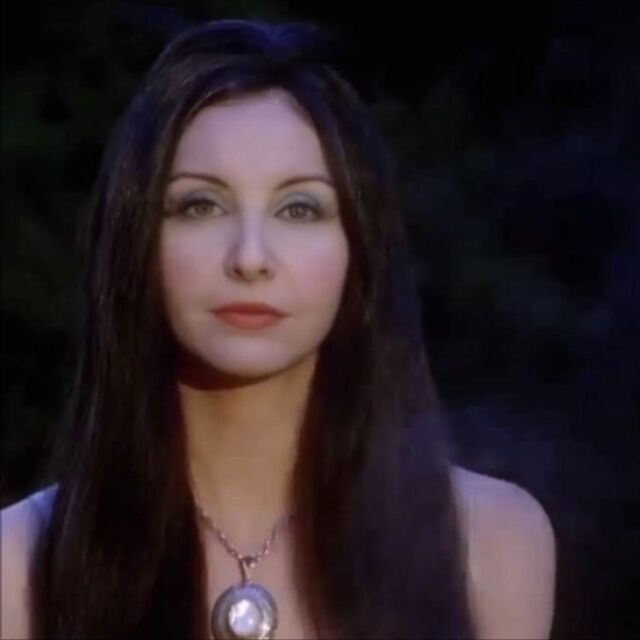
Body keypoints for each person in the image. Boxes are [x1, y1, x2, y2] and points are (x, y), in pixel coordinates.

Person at [0, 19, 555, 640]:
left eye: (300, 208)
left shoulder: (490, 541)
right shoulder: (18, 565)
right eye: (200, 205)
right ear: (136, 241)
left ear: (359, 248)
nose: (250, 258)